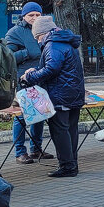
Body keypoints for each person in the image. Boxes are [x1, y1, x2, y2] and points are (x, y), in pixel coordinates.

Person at [22, 16, 85, 178]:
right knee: (71, 129)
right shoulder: (64, 42)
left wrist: (30, 77)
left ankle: (67, 166)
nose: (37, 41)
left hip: (59, 94)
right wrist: (35, 70)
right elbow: (54, 65)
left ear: (43, 33)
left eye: (37, 37)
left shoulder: (52, 44)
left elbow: (51, 69)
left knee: (60, 130)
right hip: (72, 93)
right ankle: (72, 164)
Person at [4, 2, 50, 165]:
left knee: (39, 116)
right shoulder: (14, 33)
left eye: (38, 15)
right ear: (24, 16)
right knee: (22, 117)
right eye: (31, 15)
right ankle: (20, 152)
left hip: (41, 79)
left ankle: (36, 149)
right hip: (23, 81)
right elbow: (8, 58)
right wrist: (26, 53)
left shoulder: (46, 30)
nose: (34, 18)